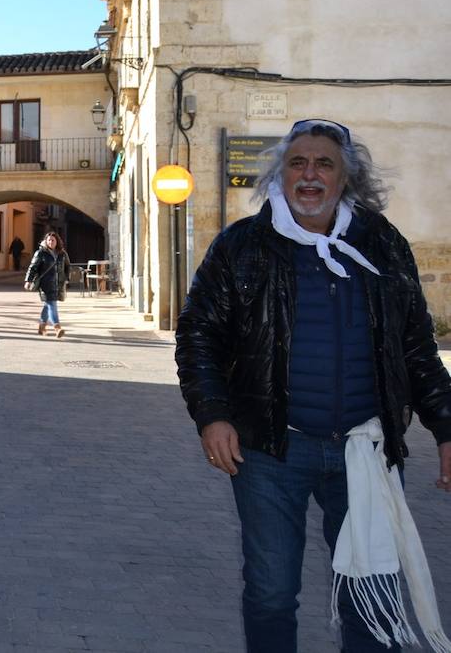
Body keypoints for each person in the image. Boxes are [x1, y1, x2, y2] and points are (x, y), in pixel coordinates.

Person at [175, 119, 451, 653]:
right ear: (281, 174)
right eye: (298, 162)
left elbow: (416, 346)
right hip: (270, 451)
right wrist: (212, 414)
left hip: (364, 449)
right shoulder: (243, 246)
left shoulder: (383, 245)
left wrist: (445, 427)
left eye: (324, 163)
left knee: (372, 591)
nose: (310, 174)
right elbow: (199, 335)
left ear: (346, 176)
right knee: (272, 592)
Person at [23, 231, 70, 338]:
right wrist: (28, 281)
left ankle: (41, 326)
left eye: (53, 240)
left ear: (57, 241)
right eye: (49, 240)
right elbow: (33, 268)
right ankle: (57, 327)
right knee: (52, 305)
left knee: (47, 305)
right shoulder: (40, 253)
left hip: (57, 284)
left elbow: (67, 266)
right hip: (45, 284)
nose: (51, 242)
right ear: (46, 241)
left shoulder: (62, 253)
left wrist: (66, 279)